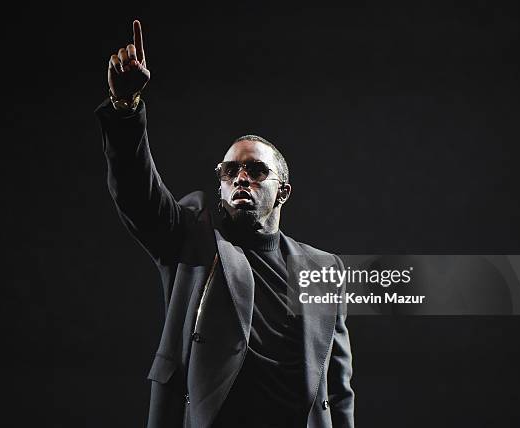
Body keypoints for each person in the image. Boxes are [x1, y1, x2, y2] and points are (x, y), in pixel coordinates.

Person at [95, 20, 354, 428]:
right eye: (230, 170)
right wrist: (126, 110)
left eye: (255, 170)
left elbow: (336, 385)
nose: (240, 178)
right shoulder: (194, 237)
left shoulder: (324, 269)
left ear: (282, 192)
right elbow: (137, 195)